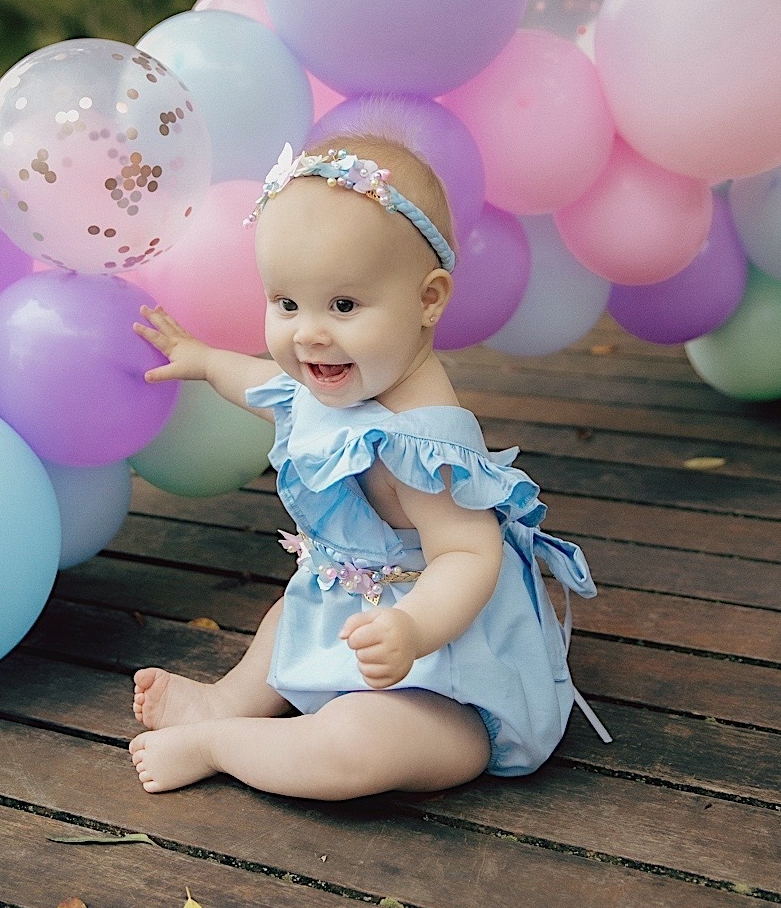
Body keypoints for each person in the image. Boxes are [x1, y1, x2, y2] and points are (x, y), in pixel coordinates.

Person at [129, 133, 608, 798]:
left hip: (446, 666)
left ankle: (220, 743)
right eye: (286, 303)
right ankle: (225, 700)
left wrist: (413, 629)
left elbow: (468, 556)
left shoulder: (425, 441)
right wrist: (205, 360)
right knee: (284, 619)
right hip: (350, 613)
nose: (308, 333)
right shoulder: (340, 379)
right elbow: (266, 384)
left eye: (343, 305)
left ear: (428, 299)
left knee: (364, 747)